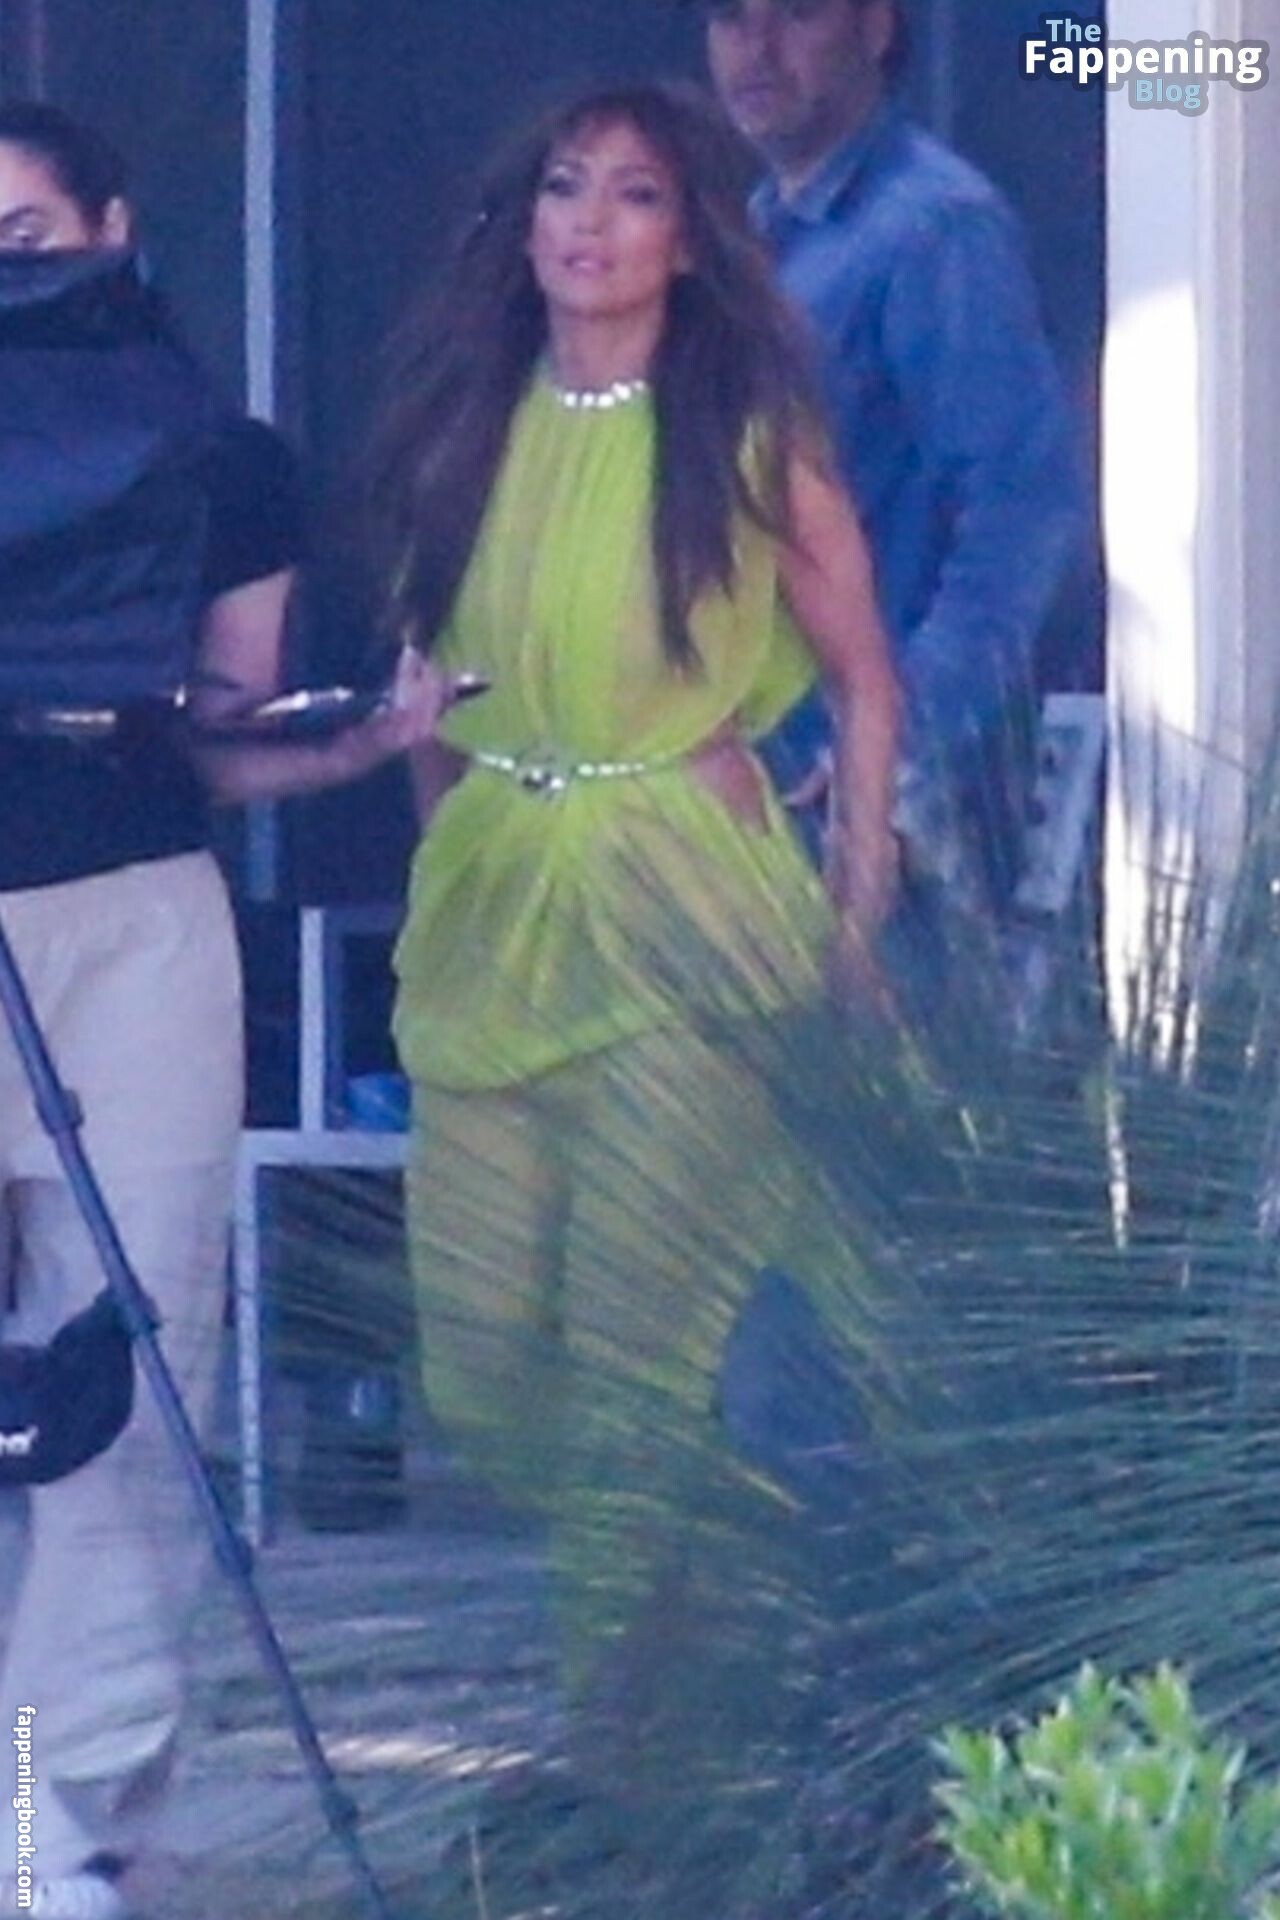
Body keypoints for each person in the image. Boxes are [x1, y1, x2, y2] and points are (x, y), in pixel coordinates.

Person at [370, 78, 899, 1903]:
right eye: (565, 189)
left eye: (637, 195)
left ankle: (637, 1801)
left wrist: (852, 920)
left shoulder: (739, 429)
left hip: (687, 916)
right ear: (523, 222)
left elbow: (866, 676)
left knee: (633, 1379)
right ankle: (733, 1630)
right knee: (481, 1370)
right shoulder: (465, 422)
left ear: (693, 237)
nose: (590, 224)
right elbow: (433, 695)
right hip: (500, 906)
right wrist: (448, 826)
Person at [0, 102, 446, 1920]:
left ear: (111, 225)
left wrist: (352, 744)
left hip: (135, 927)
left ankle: (53, 1824)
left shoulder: (221, 457)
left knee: (135, 1367)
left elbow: (211, 730)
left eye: (24, 241)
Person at [700, 0, 1081, 931]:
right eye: (729, 16)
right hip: (756, 777)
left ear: (876, 27)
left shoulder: (933, 229)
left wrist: (898, 742)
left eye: (795, 13)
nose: (756, 49)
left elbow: (1020, 512)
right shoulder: (757, 228)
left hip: (875, 806)